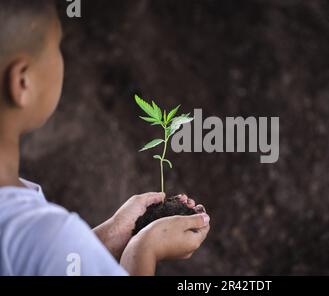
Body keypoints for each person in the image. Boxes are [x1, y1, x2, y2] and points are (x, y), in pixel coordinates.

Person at [0, 0, 210, 276]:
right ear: (22, 82)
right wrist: (143, 250)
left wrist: (107, 237)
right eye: (56, 48)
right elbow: (43, 249)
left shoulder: (29, 228)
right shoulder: (46, 233)